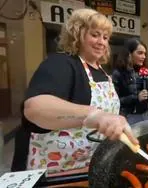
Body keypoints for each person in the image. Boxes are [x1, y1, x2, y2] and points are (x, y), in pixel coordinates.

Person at [11, 8, 138, 174]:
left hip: (90, 166)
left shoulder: (103, 72)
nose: (101, 42)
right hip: (58, 170)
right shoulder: (61, 63)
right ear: (77, 34)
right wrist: (95, 115)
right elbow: (35, 108)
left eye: (105, 37)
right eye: (95, 35)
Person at [112, 38, 148, 123]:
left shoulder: (144, 71)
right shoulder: (118, 73)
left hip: (145, 115)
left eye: (145, 54)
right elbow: (114, 101)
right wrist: (136, 98)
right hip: (126, 117)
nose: (143, 57)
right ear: (129, 54)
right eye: (140, 53)